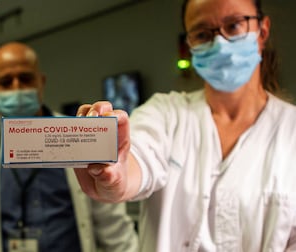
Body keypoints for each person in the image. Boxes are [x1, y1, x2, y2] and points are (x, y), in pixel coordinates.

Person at [74, 0, 296, 251]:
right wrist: (115, 172)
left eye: (233, 25)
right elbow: (138, 157)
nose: (219, 42)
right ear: (189, 45)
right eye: (202, 34)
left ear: (262, 31)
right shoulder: (166, 113)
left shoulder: (291, 130)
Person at [0, 42, 139, 252]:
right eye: (6, 81)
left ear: (41, 82)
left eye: (26, 79)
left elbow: (113, 227)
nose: (17, 88)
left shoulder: (78, 134)